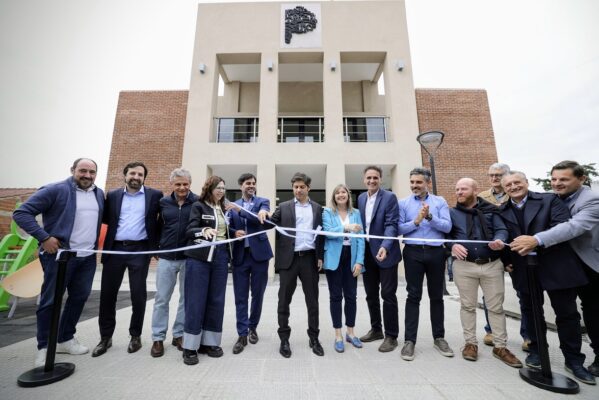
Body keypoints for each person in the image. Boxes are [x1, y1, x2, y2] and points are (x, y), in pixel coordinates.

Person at [502, 170, 595, 384]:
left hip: (556, 265)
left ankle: (574, 361)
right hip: (523, 268)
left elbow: (562, 226)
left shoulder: (549, 200)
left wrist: (535, 242)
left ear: (526, 182)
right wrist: (504, 259)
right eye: (509, 185)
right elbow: (503, 237)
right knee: (531, 312)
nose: (513, 187)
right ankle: (536, 351)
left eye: (517, 182)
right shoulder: (502, 210)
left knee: (567, 314)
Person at [13, 158, 104, 367]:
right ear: (73, 170)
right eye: (83, 171)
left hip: (87, 258)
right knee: (50, 302)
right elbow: (21, 213)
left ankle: (65, 338)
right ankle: (44, 348)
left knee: (79, 298)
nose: (87, 176)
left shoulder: (99, 194)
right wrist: (44, 237)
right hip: (60, 258)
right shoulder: (55, 190)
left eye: (92, 172)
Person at [447, 178, 522, 368]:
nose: (459, 192)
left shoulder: (491, 210)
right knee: (467, 306)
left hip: (492, 265)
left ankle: (500, 347)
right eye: (457, 189)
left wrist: (499, 239)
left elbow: (501, 230)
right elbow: (445, 236)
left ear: (475, 190)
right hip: (464, 266)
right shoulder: (451, 213)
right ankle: (470, 343)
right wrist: (452, 245)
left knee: (496, 307)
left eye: (463, 189)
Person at [93, 161, 163, 357]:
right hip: (115, 250)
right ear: (125, 175)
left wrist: (156, 246)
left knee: (138, 295)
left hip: (140, 250)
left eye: (140, 175)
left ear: (144, 178)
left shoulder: (155, 195)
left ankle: (135, 336)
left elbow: (160, 222)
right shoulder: (113, 195)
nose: (136, 177)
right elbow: (106, 219)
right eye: (133, 173)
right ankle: (105, 338)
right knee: (107, 295)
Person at [397, 168, 453, 361]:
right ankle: (409, 341)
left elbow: (447, 226)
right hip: (412, 252)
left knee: (436, 296)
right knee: (413, 295)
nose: (414, 185)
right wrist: (417, 221)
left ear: (427, 183)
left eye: (418, 182)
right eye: (412, 182)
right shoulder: (403, 203)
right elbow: (399, 228)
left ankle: (439, 338)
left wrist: (430, 217)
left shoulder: (440, 202)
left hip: (436, 252)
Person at [270, 172, 324, 358]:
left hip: (309, 259)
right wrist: (262, 214)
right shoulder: (283, 207)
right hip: (288, 260)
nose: (298, 190)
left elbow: (321, 234)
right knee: (284, 301)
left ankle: (314, 338)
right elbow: (269, 223)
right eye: (295, 187)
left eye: (302, 187)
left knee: (313, 302)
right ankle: (284, 339)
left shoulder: (317, 208)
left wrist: (320, 256)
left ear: (308, 188)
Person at [181, 176, 234, 365]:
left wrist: (236, 233)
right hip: (199, 258)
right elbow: (189, 230)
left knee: (216, 300)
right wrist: (202, 231)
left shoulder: (223, 209)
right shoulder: (199, 206)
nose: (221, 191)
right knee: (196, 301)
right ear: (209, 188)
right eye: (217, 188)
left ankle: (209, 343)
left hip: (221, 257)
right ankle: (190, 347)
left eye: (223, 188)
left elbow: (223, 231)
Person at [477, 163, 530, 351]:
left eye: (498, 175)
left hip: (516, 250)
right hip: (493, 252)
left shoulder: (515, 194)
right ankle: (491, 330)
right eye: (491, 175)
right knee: (490, 296)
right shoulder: (481, 197)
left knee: (524, 293)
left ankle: (528, 335)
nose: (494, 179)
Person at [150, 168, 197, 357]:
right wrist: (156, 248)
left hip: (189, 258)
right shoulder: (163, 202)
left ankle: (179, 335)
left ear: (189, 184)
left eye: (185, 184)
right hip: (167, 258)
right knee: (161, 299)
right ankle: (158, 337)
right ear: (172, 184)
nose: (182, 187)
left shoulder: (198, 201)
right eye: (178, 184)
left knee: (185, 300)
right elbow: (155, 226)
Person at [228, 173, 273, 355]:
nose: (251, 186)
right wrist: (233, 232)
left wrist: (242, 212)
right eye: (248, 183)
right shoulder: (232, 205)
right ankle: (242, 333)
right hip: (240, 256)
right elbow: (226, 227)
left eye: (254, 183)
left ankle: (253, 327)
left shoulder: (263, 202)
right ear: (241, 185)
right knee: (240, 296)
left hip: (260, 256)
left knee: (258, 295)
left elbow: (264, 221)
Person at [357, 166, 401, 352]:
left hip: (386, 252)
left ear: (381, 179)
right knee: (371, 294)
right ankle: (376, 329)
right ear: (364, 180)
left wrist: (384, 246)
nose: (372, 181)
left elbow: (391, 225)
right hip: (367, 252)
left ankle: (391, 336)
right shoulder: (360, 197)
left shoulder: (389, 197)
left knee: (388, 295)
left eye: (375, 177)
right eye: (369, 178)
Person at [322, 184, 365, 353]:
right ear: (334, 196)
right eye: (338, 192)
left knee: (351, 296)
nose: (341, 195)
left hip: (351, 257)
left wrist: (359, 261)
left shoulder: (356, 213)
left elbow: (361, 238)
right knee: (335, 297)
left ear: (348, 195)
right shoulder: (327, 212)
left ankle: (351, 333)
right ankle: (338, 334)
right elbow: (327, 232)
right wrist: (346, 227)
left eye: (344, 192)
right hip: (334, 257)